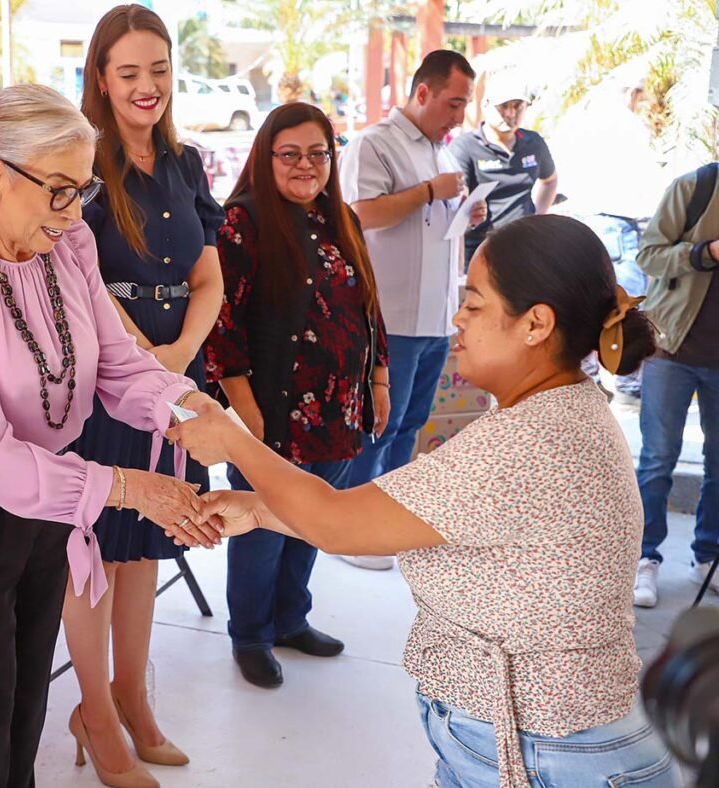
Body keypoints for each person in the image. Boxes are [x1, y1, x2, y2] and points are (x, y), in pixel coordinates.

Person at [170, 215, 681, 788]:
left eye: (475, 304)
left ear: (536, 324)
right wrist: (260, 510)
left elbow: (338, 525)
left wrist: (233, 440)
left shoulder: (530, 441)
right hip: (534, 741)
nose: (458, 319)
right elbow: (389, 521)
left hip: (545, 752)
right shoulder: (555, 413)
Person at [0, 84, 221, 788]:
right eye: (61, 190)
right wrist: (133, 489)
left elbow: (117, 361)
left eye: (82, 189)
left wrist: (185, 412)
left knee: (20, 709)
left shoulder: (66, 241)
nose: (76, 212)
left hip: (48, 494)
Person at [60, 6, 225, 784]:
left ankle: (132, 697)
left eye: (158, 69)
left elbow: (209, 276)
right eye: (129, 72)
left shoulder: (188, 165)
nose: (147, 86)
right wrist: (144, 358)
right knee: (97, 552)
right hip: (103, 387)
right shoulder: (79, 162)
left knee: (149, 544)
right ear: (101, 77)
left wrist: (180, 358)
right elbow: (83, 284)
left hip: (171, 383)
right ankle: (95, 714)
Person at [203, 102, 388, 689]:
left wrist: (378, 379)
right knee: (261, 525)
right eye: (290, 154)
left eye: (318, 153)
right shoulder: (243, 221)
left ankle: (290, 619)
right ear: (266, 157)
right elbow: (220, 319)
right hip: (273, 410)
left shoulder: (344, 220)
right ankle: (251, 635)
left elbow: (370, 309)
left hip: (339, 409)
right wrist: (244, 410)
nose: (305, 165)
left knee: (311, 519)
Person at [338, 49, 486, 570]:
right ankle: (350, 532)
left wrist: (465, 210)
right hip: (391, 319)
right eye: (453, 103)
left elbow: (433, 230)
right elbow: (361, 215)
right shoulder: (374, 144)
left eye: (464, 105)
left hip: (436, 319)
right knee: (378, 426)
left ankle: (388, 525)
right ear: (422, 93)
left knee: (410, 426)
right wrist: (427, 192)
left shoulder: (442, 154)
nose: (459, 117)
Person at [633, 163, 719, 608]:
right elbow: (648, 255)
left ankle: (708, 556)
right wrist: (705, 252)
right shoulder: (696, 187)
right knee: (657, 460)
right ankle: (644, 558)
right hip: (672, 348)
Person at [449, 70, 558, 269]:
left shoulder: (534, 142)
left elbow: (550, 180)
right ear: (485, 106)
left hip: (525, 246)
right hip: (480, 249)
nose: (510, 113)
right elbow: (457, 201)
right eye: (503, 107)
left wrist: (538, 216)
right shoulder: (464, 148)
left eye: (517, 106)